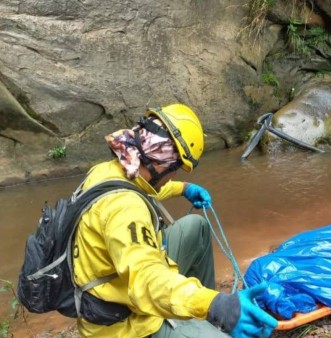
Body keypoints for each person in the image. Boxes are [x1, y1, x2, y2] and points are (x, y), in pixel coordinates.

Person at [71, 103, 278, 337]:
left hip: (114, 283)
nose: (176, 174)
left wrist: (184, 188)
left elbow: (145, 188)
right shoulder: (126, 208)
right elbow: (148, 282)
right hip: (127, 325)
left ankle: (205, 319)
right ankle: (207, 312)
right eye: (177, 167)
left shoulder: (109, 171)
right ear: (159, 162)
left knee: (195, 227)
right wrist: (215, 305)